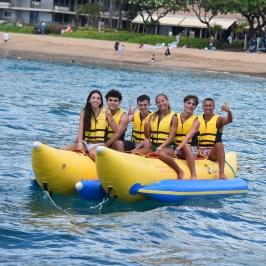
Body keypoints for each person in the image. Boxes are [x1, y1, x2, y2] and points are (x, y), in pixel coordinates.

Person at [136, 94, 184, 179]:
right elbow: (147, 136)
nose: (161, 103)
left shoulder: (174, 117)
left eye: (163, 101)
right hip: (153, 146)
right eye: (158, 102)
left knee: (160, 153)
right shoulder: (152, 116)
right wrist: (146, 128)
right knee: (134, 153)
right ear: (156, 104)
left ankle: (179, 171)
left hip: (168, 148)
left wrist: (160, 148)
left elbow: (171, 137)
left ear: (167, 102)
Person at [62, 90, 118, 160]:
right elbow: (81, 128)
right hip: (85, 143)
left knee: (92, 153)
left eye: (98, 98)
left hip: (99, 144)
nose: (96, 100)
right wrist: (80, 144)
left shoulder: (105, 112)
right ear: (89, 100)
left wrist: (110, 116)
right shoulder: (84, 112)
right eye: (93, 98)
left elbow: (116, 130)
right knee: (63, 149)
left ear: (100, 102)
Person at [157, 95, 200, 179]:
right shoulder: (175, 117)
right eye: (188, 103)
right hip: (175, 147)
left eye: (193, 104)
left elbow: (188, 137)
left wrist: (177, 149)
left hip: (190, 150)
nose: (190, 106)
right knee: (160, 152)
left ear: (195, 107)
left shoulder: (196, 121)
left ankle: (194, 174)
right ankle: (178, 170)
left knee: (186, 145)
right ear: (184, 103)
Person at [197, 98, 233, 179]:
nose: (208, 108)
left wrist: (229, 111)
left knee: (219, 145)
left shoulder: (218, 120)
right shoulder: (197, 119)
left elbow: (229, 120)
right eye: (206, 106)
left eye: (210, 106)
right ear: (202, 107)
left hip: (212, 152)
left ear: (214, 107)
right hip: (198, 150)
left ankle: (222, 173)